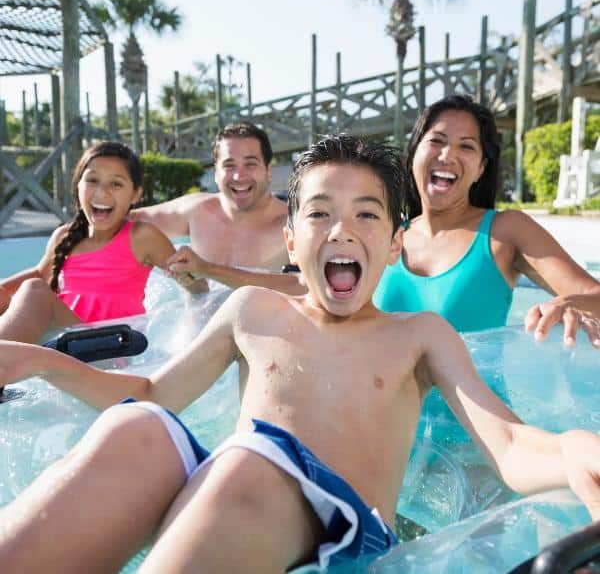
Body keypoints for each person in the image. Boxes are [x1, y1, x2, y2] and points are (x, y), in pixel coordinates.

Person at [0, 136, 598, 573]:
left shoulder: (418, 335)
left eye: (366, 214)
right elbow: (153, 393)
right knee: (138, 430)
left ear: (393, 246)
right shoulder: (255, 311)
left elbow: (510, 446)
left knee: (247, 458)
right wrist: (40, 361)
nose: (342, 229)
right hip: (237, 497)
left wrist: (573, 447)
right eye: (319, 213)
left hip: (344, 539)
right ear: (291, 241)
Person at [168, 96, 600, 347]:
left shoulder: (505, 231)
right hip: (387, 428)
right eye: (437, 141)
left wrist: (567, 304)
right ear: (414, 152)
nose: (448, 155)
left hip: (475, 441)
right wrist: (206, 269)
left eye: (467, 147)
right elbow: (301, 283)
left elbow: (594, 296)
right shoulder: (386, 233)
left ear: (483, 167)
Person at [0, 141, 175, 344]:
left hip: (112, 346)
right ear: (78, 186)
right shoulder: (64, 236)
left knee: (34, 290)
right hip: (66, 343)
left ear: (136, 194)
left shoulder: (141, 237)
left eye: (116, 184)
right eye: (92, 180)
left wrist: (191, 308)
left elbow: (193, 280)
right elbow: (41, 273)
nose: (102, 192)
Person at [131, 121, 289, 293]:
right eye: (229, 165)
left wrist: (207, 270)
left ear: (268, 171)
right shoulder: (197, 211)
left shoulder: (292, 225)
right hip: (194, 319)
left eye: (250, 164)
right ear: (216, 174)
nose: (238, 176)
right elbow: (121, 221)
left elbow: (302, 288)